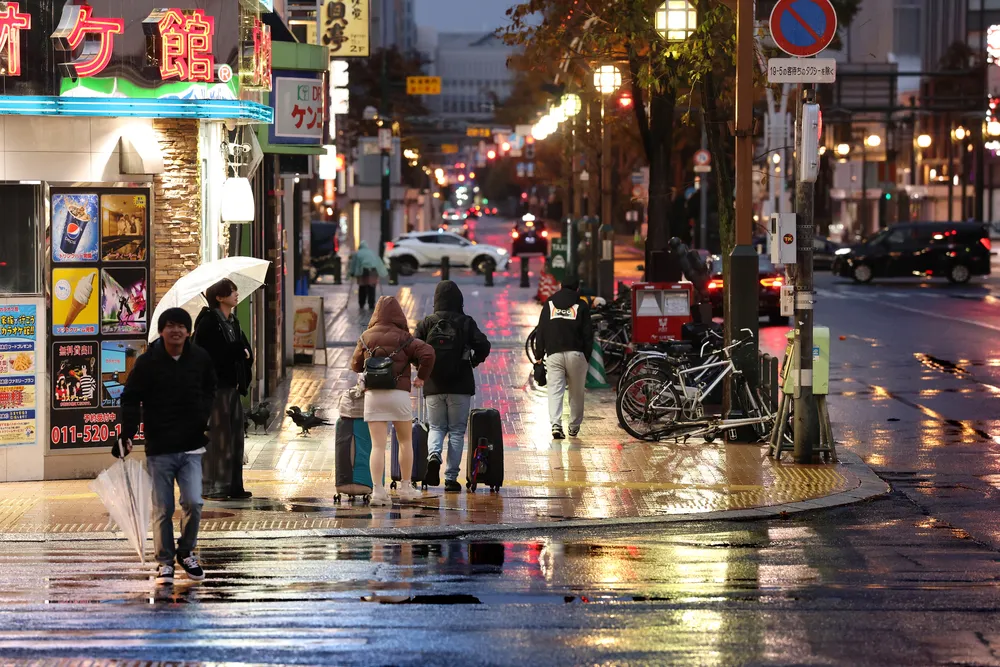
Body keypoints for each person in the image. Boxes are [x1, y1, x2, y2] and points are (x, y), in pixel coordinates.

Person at [117, 307, 217, 585]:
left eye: (181, 326)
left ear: (189, 331)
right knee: (163, 508)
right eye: (170, 325)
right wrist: (127, 433)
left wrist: (203, 414)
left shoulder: (200, 358)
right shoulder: (148, 362)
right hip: (160, 447)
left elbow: (211, 387)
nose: (176, 330)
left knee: (194, 502)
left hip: (192, 446)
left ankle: (185, 553)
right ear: (162, 330)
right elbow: (130, 398)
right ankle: (164, 563)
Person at [350, 296, 435, 506]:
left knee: (377, 446)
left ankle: (378, 492)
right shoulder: (405, 337)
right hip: (399, 395)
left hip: (374, 396)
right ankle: (406, 488)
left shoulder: (366, 336)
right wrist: (421, 377)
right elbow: (429, 353)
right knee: (405, 442)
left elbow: (355, 366)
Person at [413, 280, 491, 492]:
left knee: (436, 427)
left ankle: (434, 456)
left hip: (433, 385)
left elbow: (412, 348)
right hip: (460, 384)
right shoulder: (466, 322)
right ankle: (450, 478)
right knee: (457, 431)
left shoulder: (427, 323)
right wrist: (473, 361)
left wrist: (423, 369)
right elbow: (484, 345)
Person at [194, 278, 254, 501]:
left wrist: (244, 354)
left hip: (233, 388)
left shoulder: (233, 321)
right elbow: (210, 355)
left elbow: (244, 348)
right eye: (232, 291)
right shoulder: (209, 323)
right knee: (218, 439)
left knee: (235, 439)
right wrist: (237, 351)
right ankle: (213, 487)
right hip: (216, 389)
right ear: (219, 297)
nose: (236, 294)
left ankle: (233, 486)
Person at [534, 277, 594, 440]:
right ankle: (574, 427)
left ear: (561, 286)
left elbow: (541, 331)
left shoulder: (550, 304)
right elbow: (588, 335)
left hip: (554, 354)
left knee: (555, 390)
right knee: (576, 392)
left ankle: (556, 424)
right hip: (576, 354)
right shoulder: (581, 306)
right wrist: (586, 357)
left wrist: (539, 355)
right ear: (577, 289)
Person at [348, 240, 388, 310]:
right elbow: (378, 262)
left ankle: (361, 303)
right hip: (373, 271)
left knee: (362, 287)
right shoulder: (372, 253)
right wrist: (382, 272)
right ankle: (371, 304)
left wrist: (351, 273)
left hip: (363, 271)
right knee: (372, 287)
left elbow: (353, 265)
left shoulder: (357, 253)